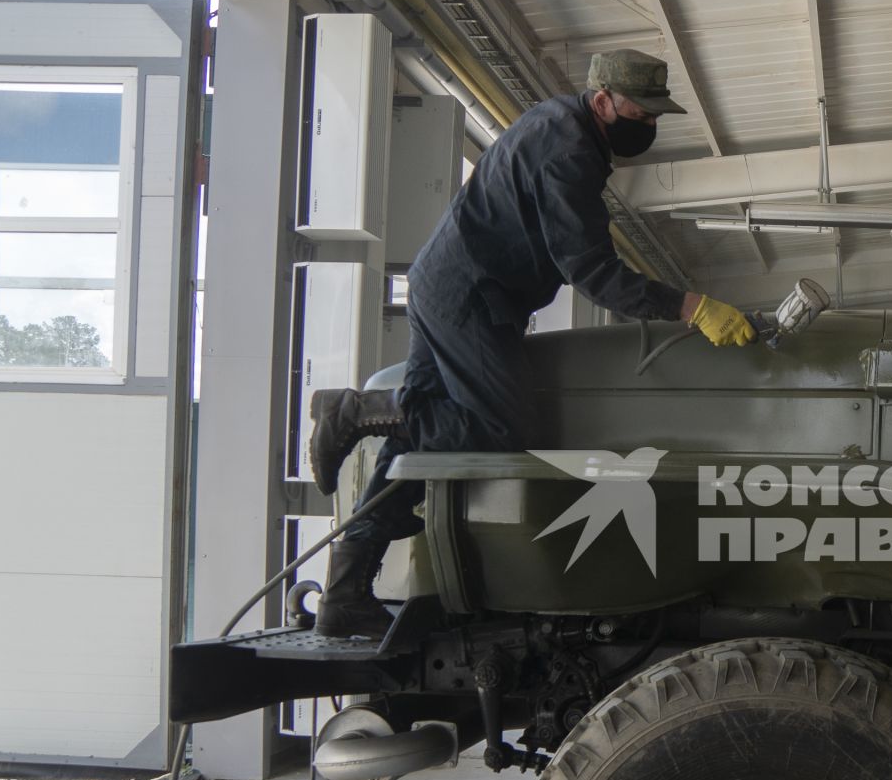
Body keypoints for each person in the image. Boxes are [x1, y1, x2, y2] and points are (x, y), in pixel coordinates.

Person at [305, 49, 756, 640]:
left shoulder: (561, 126)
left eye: (653, 117)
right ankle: (359, 411)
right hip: (469, 298)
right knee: (499, 428)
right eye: (640, 114)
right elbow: (592, 272)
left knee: (423, 445)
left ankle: (344, 593)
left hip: (446, 286)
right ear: (602, 102)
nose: (648, 125)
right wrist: (690, 308)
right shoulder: (568, 152)